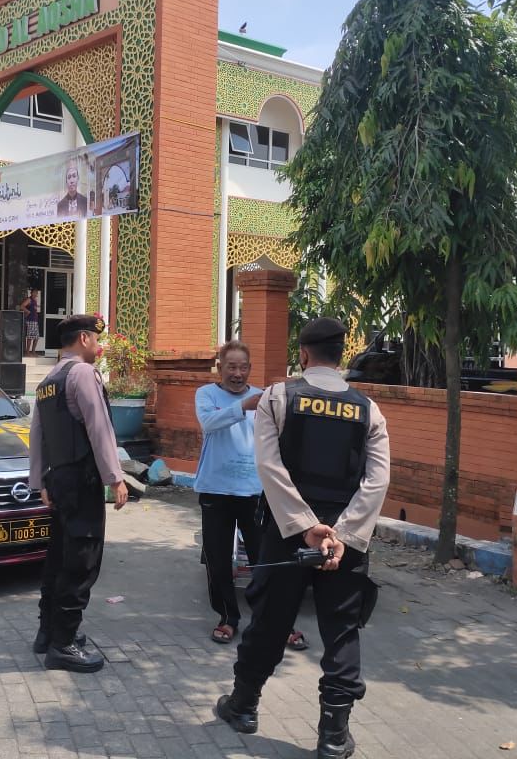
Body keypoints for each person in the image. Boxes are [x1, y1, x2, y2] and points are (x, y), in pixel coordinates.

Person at [216, 317, 391, 759]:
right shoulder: (367, 409)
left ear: (304, 354)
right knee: (342, 631)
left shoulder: (278, 397)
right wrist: (343, 534)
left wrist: (305, 527)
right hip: (345, 544)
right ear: (342, 354)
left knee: (269, 622)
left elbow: (268, 467)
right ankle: (333, 736)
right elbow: (377, 481)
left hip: (286, 534)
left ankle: (243, 707)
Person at [29, 313, 128, 673]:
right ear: (84, 339)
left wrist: (39, 482)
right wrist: (115, 477)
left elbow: (37, 435)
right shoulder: (83, 374)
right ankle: (63, 644)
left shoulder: (48, 381)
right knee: (82, 560)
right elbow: (99, 427)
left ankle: (48, 632)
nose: (99, 346)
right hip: (82, 481)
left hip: (59, 480)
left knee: (58, 557)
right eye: (96, 339)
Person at [195, 339, 308, 651]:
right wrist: (242, 407)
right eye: (231, 367)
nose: (237, 373)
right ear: (220, 368)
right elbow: (208, 423)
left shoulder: (264, 398)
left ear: (250, 369)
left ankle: (276, 622)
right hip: (215, 489)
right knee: (218, 560)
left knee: (266, 560)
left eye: (243, 367)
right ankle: (227, 617)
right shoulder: (206, 395)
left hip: (255, 492)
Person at [19, 289, 40, 357]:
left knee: (36, 337)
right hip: (30, 321)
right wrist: (28, 311)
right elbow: (22, 306)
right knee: (30, 337)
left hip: (35, 321)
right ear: (31, 293)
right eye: (35, 292)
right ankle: (27, 352)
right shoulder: (29, 299)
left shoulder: (35, 300)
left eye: (37, 293)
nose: (36, 294)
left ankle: (33, 351)